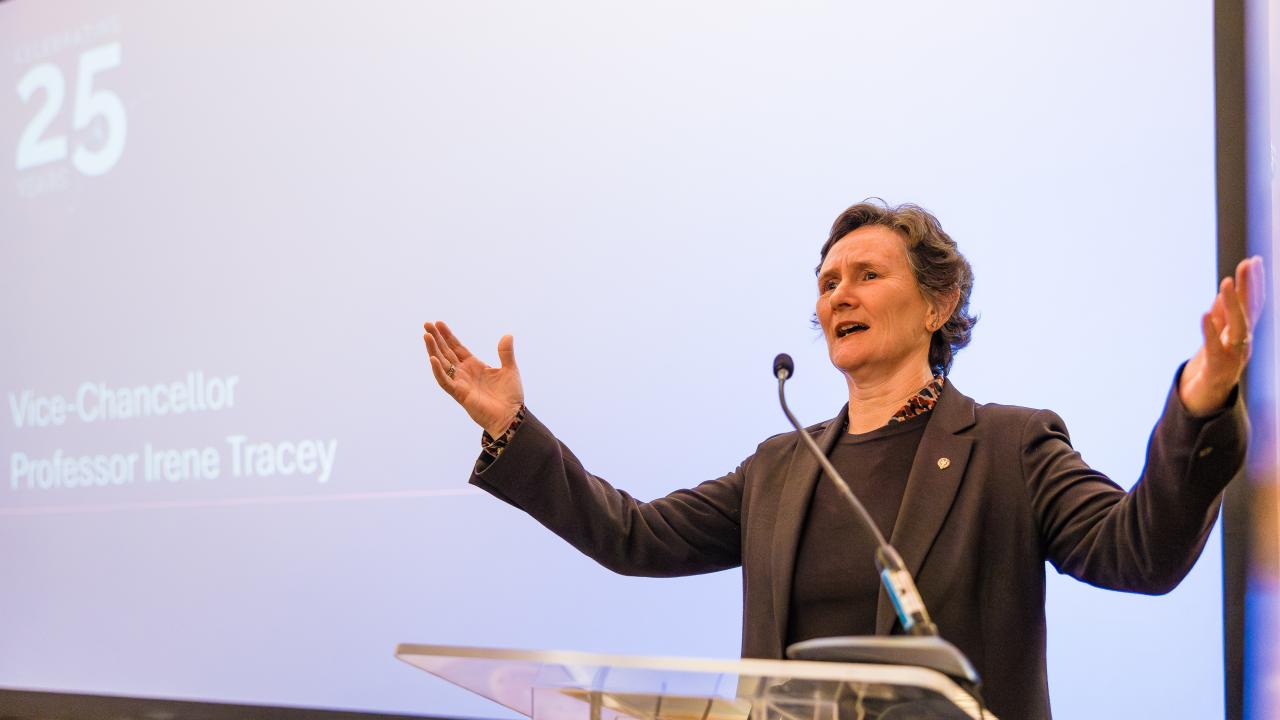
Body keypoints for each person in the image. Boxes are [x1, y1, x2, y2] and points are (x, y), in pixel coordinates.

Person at [421, 200, 1265, 720]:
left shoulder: (1010, 446)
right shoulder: (782, 469)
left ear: (939, 304)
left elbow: (1139, 554)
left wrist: (1201, 403)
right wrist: (514, 431)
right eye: (828, 283)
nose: (839, 296)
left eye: (866, 274)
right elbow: (632, 536)